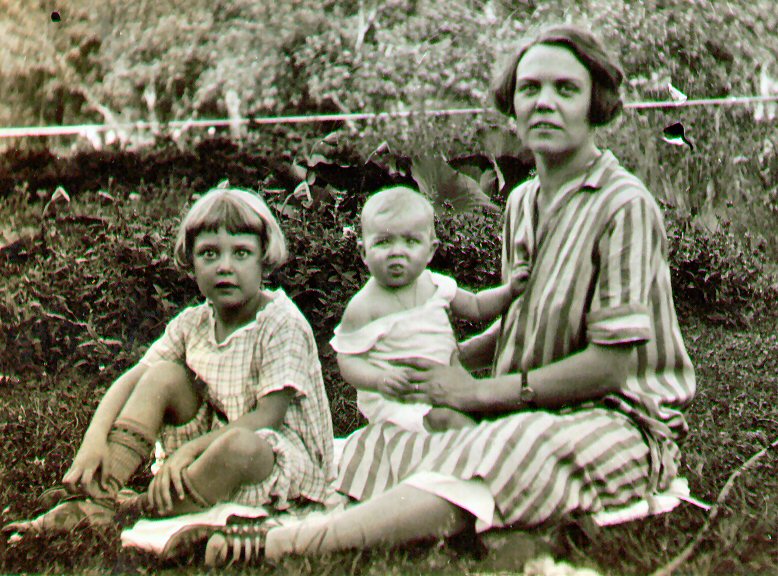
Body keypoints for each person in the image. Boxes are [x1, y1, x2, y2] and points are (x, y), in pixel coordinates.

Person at [206, 23, 697, 566]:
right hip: (530, 406)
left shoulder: (624, 205)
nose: (545, 104)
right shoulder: (524, 203)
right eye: (530, 89)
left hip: (620, 421)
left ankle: (288, 542)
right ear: (512, 105)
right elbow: (524, 321)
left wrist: (479, 394)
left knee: (511, 449)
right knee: (391, 441)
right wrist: (448, 364)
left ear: (596, 103)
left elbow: (610, 366)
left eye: (566, 88)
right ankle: (305, 514)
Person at [4, 187, 334, 536]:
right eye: (209, 253)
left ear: (263, 258)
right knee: (163, 375)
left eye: (241, 253)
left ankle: (135, 507)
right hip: (215, 446)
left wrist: (189, 451)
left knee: (239, 445)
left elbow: (268, 417)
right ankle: (99, 497)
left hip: (276, 456)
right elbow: (133, 379)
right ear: (190, 261)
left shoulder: (281, 321)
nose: (225, 266)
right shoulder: (194, 323)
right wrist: (93, 440)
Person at [332, 185, 528, 433]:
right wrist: (378, 379)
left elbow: (477, 306)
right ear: (363, 252)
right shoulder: (364, 306)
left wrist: (509, 292)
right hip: (401, 400)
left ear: (430, 250)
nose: (397, 252)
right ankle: (476, 453)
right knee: (449, 420)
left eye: (411, 241)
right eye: (383, 242)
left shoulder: (436, 285)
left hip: (447, 384)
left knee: (490, 414)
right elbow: (347, 359)